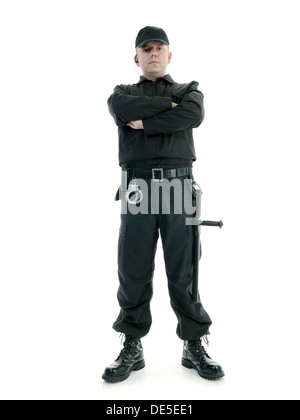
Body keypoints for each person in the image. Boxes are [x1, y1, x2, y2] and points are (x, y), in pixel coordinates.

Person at [102, 26, 224, 383]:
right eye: (146, 48)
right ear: (136, 57)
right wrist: (166, 109)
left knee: (183, 270)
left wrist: (149, 122)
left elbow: (193, 115)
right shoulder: (122, 93)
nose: (153, 53)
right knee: (134, 268)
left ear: (169, 55)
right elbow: (121, 107)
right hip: (138, 186)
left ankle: (194, 343)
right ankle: (133, 344)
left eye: (159, 48)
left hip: (178, 184)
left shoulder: (189, 91)